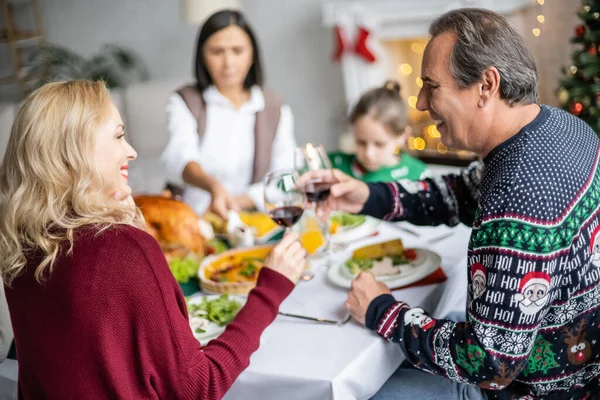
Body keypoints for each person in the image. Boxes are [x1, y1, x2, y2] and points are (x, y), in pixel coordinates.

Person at [299, 8, 600, 400]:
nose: (421, 102)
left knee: (349, 390)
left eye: (431, 85)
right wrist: (367, 195)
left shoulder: (519, 200)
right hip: (558, 356)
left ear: (486, 85)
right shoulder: (559, 127)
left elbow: (490, 364)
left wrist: (382, 310)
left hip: (534, 389)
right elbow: (462, 193)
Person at [0, 80, 307, 399]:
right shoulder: (122, 248)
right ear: (77, 150)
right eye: (118, 136)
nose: (130, 151)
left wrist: (139, 240)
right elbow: (200, 387)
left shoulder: (22, 244)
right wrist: (270, 289)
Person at [161, 9, 296, 219]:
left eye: (237, 50)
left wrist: (236, 202)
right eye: (217, 51)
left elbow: (286, 175)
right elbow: (180, 157)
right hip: (196, 218)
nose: (228, 63)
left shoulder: (273, 106)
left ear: (253, 55)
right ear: (202, 56)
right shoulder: (185, 101)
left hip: (255, 220)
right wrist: (213, 187)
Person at [329, 80, 429, 182]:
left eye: (379, 144)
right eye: (361, 143)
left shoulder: (417, 175)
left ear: (403, 136)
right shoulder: (334, 165)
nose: (369, 154)